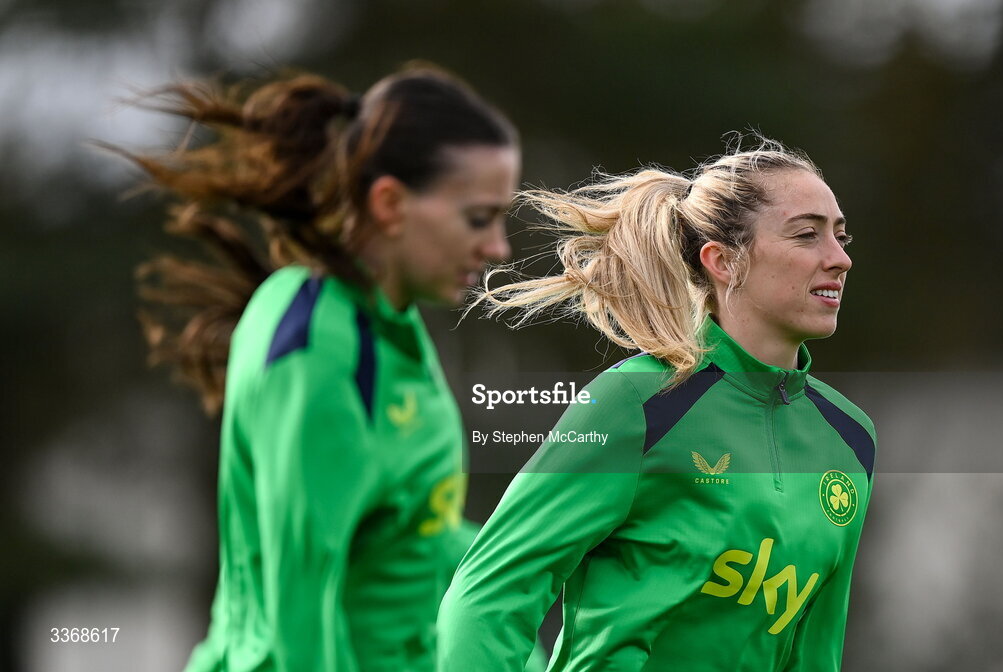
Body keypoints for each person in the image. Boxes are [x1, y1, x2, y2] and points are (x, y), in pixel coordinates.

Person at [120, 65, 547, 671]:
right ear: (391, 203)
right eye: (479, 218)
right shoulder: (315, 345)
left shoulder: (391, 327)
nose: (499, 246)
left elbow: (414, 534)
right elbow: (298, 600)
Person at [437, 137, 877, 671]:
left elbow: (815, 654)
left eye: (840, 235)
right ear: (723, 261)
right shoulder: (638, 403)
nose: (840, 258)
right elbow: (490, 594)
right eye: (807, 235)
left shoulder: (850, 440)